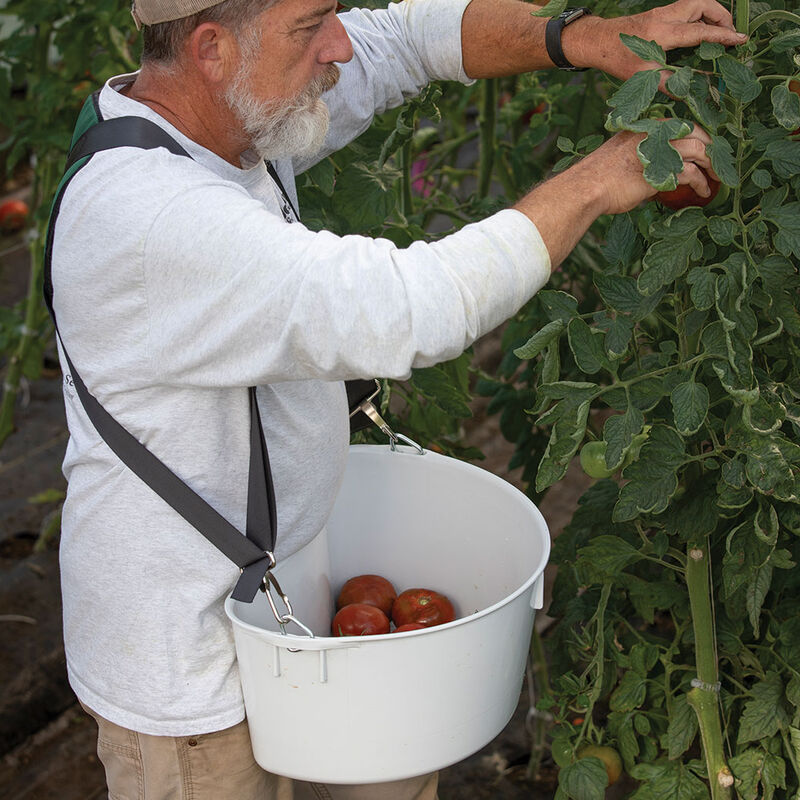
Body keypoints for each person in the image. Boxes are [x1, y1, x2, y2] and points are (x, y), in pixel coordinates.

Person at [49, 0, 744, 797]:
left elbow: (405, 40)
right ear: (211, 49)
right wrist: (601, 177)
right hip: (194, 675)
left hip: (293, 600)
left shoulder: (226, 115)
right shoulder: (149, 217)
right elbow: (415, 306)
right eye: (312, 27)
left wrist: (580, 38)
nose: (340, 44)